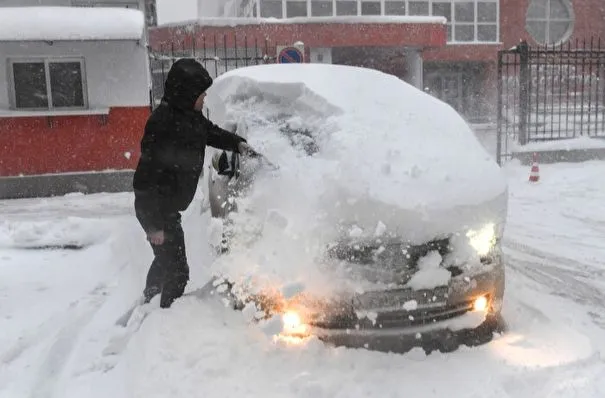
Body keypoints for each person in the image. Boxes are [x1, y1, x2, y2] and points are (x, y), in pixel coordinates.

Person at [132, 58, 257, 309]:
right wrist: (153, 225)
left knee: (164, 262)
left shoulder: (191, 117)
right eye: (201, 95)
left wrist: (238, 144)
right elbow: (144, 180)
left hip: (168, 210)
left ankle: (148, 303)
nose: (204, 100)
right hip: (158, 211)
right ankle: (166, 315)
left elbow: (212, 133)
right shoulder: (162, 123)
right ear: (187, 94)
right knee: (178, 272)